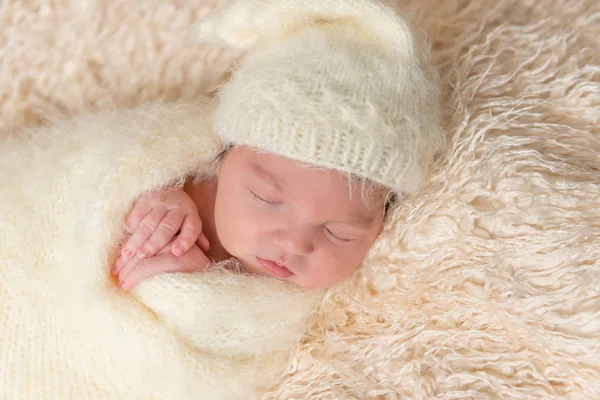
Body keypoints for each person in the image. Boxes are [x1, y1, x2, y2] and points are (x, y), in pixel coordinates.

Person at [113, 0, 446, 290]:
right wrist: (149, 197)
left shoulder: (337, 297)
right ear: (220, 159)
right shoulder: (185, 173)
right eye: (266, 198)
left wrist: (201, 288)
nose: (294, 244)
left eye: (338, 233)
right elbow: (103, 166)